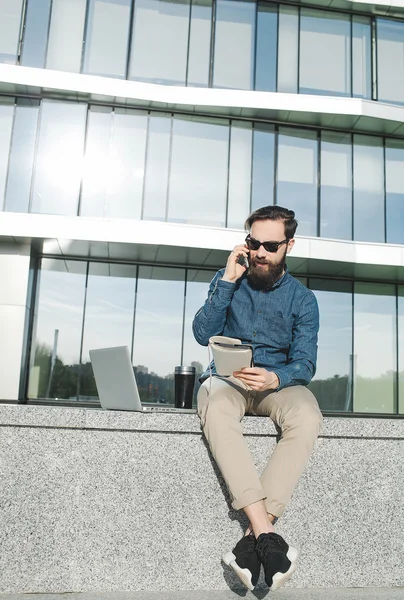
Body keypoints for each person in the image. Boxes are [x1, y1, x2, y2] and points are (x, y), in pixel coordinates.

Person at [192, 205, 323, 592]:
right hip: (228, 381)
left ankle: (250, 539)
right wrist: (228, 282)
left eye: (270, 244)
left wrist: (275, 376)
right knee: (214, 402)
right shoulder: (227, 277)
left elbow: (305, 363)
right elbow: (203, 333)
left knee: (307, 414)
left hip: (274, 386)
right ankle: (266, 534)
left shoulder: (303, 300)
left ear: (289, 245)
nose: (260, 252)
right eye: (254, 242)